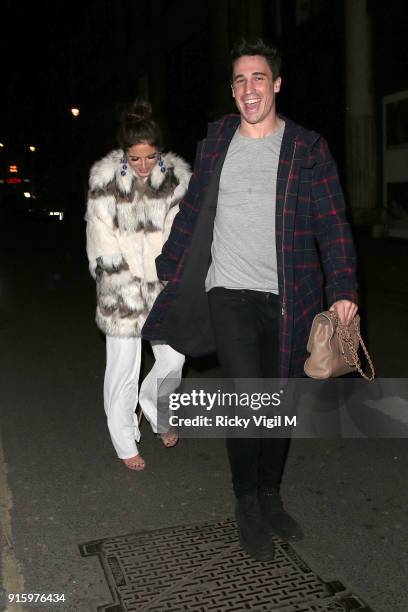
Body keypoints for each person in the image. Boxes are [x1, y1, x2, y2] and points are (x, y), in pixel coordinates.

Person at [143, 39, 358, 559]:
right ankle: (246, 504)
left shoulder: (307, 149)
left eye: (258, 78)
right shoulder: (217, 142)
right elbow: (193, 210)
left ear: (276, 84)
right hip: (230, 294)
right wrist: (169, 268)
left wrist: (344, 288)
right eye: (239, 80)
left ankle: (269, 495)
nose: (248, 89)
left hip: (292, 297)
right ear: (233, 91)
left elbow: (332, 224)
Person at [86, 100, 191, 471]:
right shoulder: (105, 183)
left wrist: (176, 276)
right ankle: (123, 437)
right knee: (122, 368)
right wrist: (124, 286)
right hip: (123, 291)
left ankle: (156, 410)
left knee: (174, 360)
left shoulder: (177, 182)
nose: (144, 166)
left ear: (158, 150)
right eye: (135, 158)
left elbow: (183, 235)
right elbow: (101, 243)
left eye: (150, 157)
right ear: (124, 154)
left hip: (165, 286)